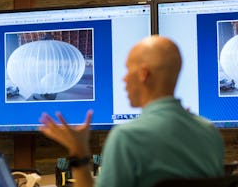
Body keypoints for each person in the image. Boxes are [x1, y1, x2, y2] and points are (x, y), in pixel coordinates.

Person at [39, 35, 224, 187]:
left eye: (128, 70)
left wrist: (78, 152)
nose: (124, 79)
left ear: (144, 74)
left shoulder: (127, 138)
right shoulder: (209, 132)